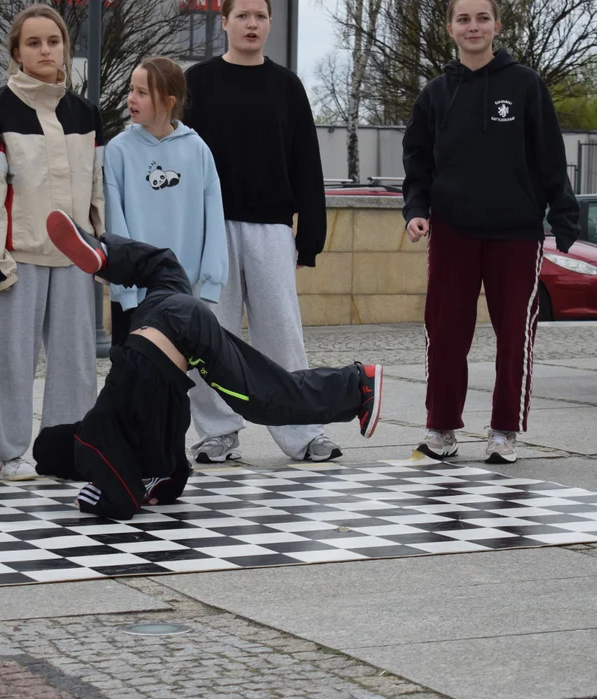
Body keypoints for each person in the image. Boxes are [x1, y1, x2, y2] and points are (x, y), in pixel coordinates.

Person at [32, 210, 383, 521]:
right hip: (168, 306)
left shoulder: (93, 437)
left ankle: (356, 384)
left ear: (72, 458)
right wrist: (158, 486)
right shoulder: (138, 428)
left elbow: (122, 500)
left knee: (263, 398)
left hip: (173, 339)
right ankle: (107, 254)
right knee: (163, 266)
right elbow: (175, 474)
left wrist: (94, 496)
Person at [401, 0, 579, 464]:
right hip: (454, 232)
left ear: (497, 26)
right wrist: (416, 209)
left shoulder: (526, 86)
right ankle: (441, 428)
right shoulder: (435, 94)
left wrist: (564, 216)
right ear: (450, 29)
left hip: (516, 234)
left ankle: (503, 432)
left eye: (482, 18)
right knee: (445, 333)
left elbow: (549, 157)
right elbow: (418, 162)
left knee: (514, 336)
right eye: (464, 19)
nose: (473, 26)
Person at [183, 0, 335, 466]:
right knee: (212, 336)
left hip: (271, 228)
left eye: (261, 16)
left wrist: (310, 235)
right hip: (211, 231)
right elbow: (181, 158)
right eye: (242, 15)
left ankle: (303, 432)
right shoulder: (198, 83)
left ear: (269, 23)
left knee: (281, 333)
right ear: (224, 21)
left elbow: (307, 162)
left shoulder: (286, 86)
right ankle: (217, 433)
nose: (252, 24)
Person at [0, 4, 103, 481]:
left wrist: (101, 250)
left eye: (53, 41)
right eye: (34, 43)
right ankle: (7, 451)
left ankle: (69, 447)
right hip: (15, 260)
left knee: (76, 365)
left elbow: (98, 191)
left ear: (65, 47)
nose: (45, 50)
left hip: (73, 261)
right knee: (8, 362)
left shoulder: (86, 114)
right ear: (17, 53)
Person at [103, 56, 227, 345]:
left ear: (170, 101)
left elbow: (214, 218)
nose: (131, 99)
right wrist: (125, 290)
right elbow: (115, 223)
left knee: (176, 378)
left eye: (142, 93)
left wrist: (210, 283)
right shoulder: (118, 151)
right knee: (131, 376)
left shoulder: (197, 150)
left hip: (183, 293)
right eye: (131, 90)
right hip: (134, 294)